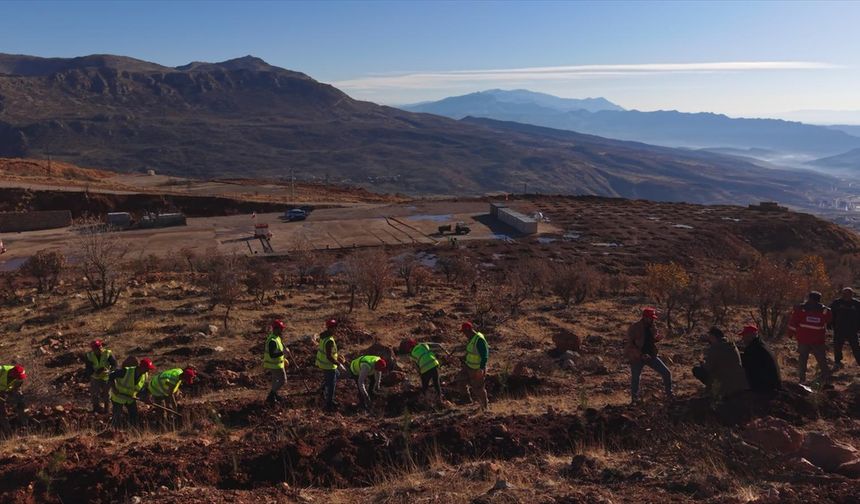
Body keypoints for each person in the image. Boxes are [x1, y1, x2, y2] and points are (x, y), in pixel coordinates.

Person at [625, 308, 673, 404]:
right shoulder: (634, 328)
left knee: (666, 373)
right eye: (651, 318)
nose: (652, 320)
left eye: (653, 318)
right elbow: (630, 345)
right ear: (645, 317)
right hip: (637, 357)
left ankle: (669, 395)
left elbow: (651, 340)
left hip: (651, 356)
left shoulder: (652, 326)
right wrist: (641, 355)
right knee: (635, 378)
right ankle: (634, 400)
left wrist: (657, 339)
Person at [787, 291, 832, 386]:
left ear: (809, 298)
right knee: (821, 359)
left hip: (804, 339)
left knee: (803, 359)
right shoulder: (825, 310)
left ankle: (802, 379)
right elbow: (829, 320)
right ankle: (826, 378)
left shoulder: (800, 309)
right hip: (818, 339)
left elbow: (793, 322)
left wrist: (791, 333)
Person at [692, 327, 749, 400]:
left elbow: (708, 368)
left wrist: (702, 362)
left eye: (710, 337)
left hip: (725, 383)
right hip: (740, 381)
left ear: (713, 337)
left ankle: (714, 389)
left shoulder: (715, 348)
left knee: (697, 370)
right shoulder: (732, 345)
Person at [109, 358, 155, 429]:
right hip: (118, 397)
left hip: (130, 398)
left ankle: (132, 431)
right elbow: (111, 376)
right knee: (117, 416)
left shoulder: (145, 375)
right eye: (147, 369)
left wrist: (145, 398)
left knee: (134, 415)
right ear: (141, 367)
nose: (148, 370)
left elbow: (140, 389)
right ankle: (112, 431)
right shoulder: (126, 371)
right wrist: (114, 388)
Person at [738, 325, 782, 395]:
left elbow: (745, 365)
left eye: (744, 335)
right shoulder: (762, 345)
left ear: (751, 335)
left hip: (764, 386)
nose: (743, 338)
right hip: (772, 383)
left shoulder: (753, 349)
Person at [459, 321, 489, 411]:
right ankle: (467, 401)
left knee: (478, 389)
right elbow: (471, 352)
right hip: (468, 366)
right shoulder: (471, 338)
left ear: (469, 330)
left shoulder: (479, 340)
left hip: (477, 369)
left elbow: (484, 355)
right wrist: (464, 358)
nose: (464, 334)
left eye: (464, 332)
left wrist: (481, 369)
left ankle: (485, 408)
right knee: (460, 380)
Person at [404, 338, 445, 404]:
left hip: (425, 370)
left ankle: (425, 401)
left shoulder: (412, 354)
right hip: (434, 364)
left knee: (425, 386)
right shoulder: (423, 345)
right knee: (436, 383)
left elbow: (416, 367)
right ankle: (440, 399)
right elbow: (434, 347)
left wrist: (420, 374)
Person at [316, 319, 344, 411]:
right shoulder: (329, 341)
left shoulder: (324, 336)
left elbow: (329, 353)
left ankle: (323, 388)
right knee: (332, 385)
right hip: (328, 365)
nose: (336, 329)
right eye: (335, 328)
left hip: (324, 363)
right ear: (331, 328)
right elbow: (329, 356)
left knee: (337, 374)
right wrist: (338, 363)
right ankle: (329, 404)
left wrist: (337, 356)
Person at [829, 287, 860, 371]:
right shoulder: (836, 303)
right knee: (837, 347)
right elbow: (830, 314)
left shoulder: (857, 304)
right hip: (839, 329)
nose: (846, 295)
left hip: (852, 330)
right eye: (844, 293)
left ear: (852, 294)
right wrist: (829, 324)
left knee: (856, 348)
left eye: (848, 293)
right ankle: (837, 363)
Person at [84, 339, 118, 413]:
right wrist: (94, 373)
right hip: (95, 378)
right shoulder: (89, 355)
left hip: (106, 377)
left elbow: (114, 365)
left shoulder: (108, 353)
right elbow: (88, 368)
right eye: (96, 348)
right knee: (95, 394)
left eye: (100, 347)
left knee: (107, 395)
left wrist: (109, 371)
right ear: (93, 349)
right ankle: (96, 409)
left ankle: (107, 410)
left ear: (101, 346)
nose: (99, 349)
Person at [264, 320, 292, 404]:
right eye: (280, 329)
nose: (282, 330)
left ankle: (274, 396)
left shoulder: (277, 338)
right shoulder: (272, 341)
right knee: (283, 380)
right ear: (275, 329)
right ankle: (271, 395)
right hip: (275, 365)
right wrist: (283, 352)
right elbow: (273, 355)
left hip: (277, 363)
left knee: (275, 380)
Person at [0, 365, 27, 435]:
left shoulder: (19, 376)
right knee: (2, 412)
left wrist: (13, 401)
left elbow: (17, 388)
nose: (19, 379)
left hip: (8, 390)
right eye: (17, 377)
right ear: (12, 374)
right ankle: (8, 432)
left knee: (20, 402)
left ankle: (24, 423)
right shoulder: (1, 370)